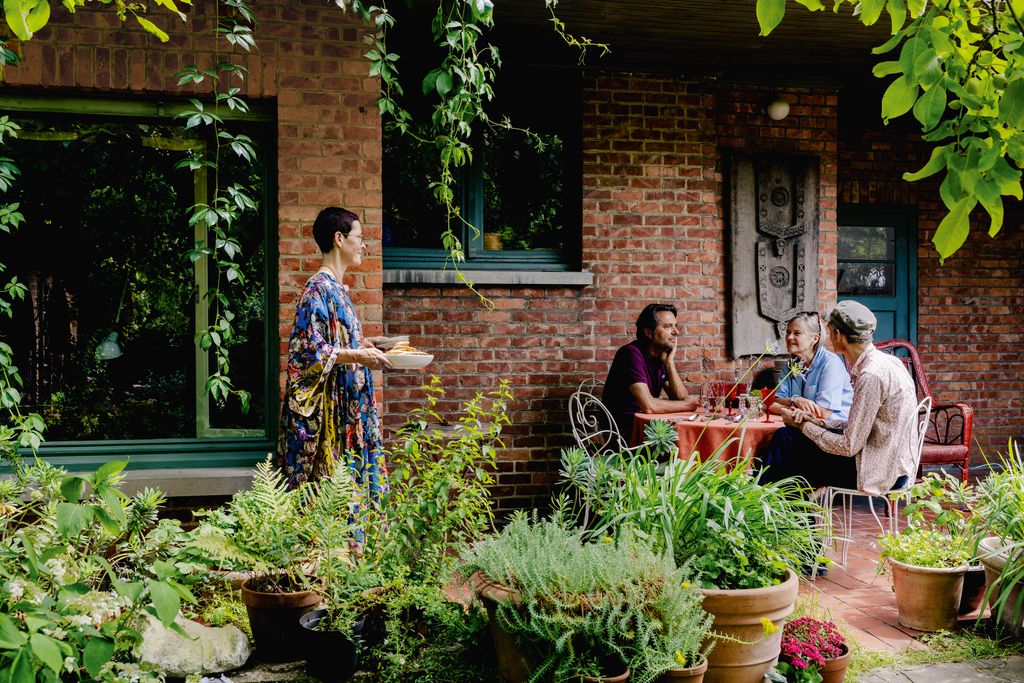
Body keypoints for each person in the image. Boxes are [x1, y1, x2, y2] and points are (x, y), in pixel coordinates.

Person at [278, 207, 393, 506]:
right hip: (335, 413)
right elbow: (308, 351)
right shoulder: (316, 290)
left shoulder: (337, 290)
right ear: (339, 239)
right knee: (336, 500)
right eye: (360, 237)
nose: (364, 245)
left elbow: (334, 341)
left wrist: (365, 343)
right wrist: (359, 355)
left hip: (351, 409)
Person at [759, 301, 920, 495]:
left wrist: (803, 426)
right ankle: (786, 511)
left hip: (877, 471)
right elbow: (861, 427)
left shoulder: (870, 376)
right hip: (891, 463)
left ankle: (763, 505)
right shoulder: (889, 362)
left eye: (829, 331)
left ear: (837, 335)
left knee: (786, 444)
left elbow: (848, 446)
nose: (827, 338)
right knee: (788, 444)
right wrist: (818, 423)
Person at [602, 303, 698, 438]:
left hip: (647, 428)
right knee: (684, 440)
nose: (676, 332)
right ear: (648, 332)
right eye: (668, 326)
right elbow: (649, 406)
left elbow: (680, 397)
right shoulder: (631, 354)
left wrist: (669, 363)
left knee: (687, 439)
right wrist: (686, 405)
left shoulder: (659, 357)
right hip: (623, 434)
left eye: (675, 325)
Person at [771, 311, 853, 421]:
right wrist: (795, 400)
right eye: (788, 332)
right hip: (802, 423)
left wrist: (788, 409)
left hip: (832, 427)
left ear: (814, 339)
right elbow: (774, 403)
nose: (789, 337)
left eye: (797, 333)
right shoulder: (791, 364)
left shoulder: (830, 363)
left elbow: (823, 413)